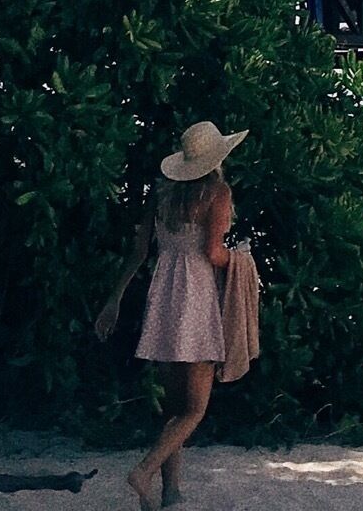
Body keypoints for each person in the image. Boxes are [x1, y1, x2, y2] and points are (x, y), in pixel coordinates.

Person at [94, 119, 246, 510]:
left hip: (163, 294)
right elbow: (213, 253)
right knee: (195, 409)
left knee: (174, 406)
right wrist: (242, 262)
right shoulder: (217, 192)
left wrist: (114, 298)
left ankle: (171, 491)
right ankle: (144, 471)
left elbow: (139, 252)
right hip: (195, 294)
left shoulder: (160, 195)